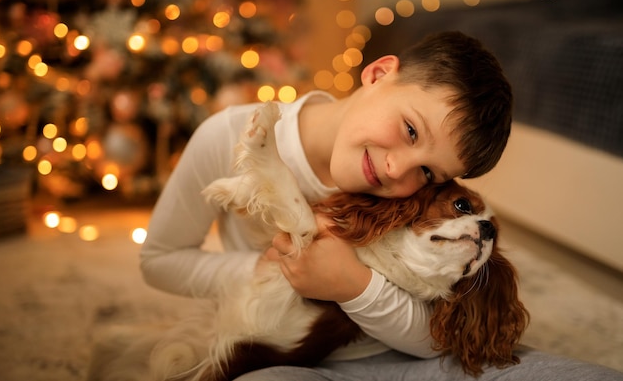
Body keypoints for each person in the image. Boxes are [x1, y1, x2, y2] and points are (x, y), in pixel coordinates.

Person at [140, 31, 623, 381]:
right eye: (411, 130)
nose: (399, 172)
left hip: (409, 358)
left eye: (429, 173)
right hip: (284, 356)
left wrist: (354, 285)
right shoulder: (229, 136)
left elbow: (437, 338)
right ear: (377, 73)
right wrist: (280, 271)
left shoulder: (415, 197)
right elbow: (158, 261)